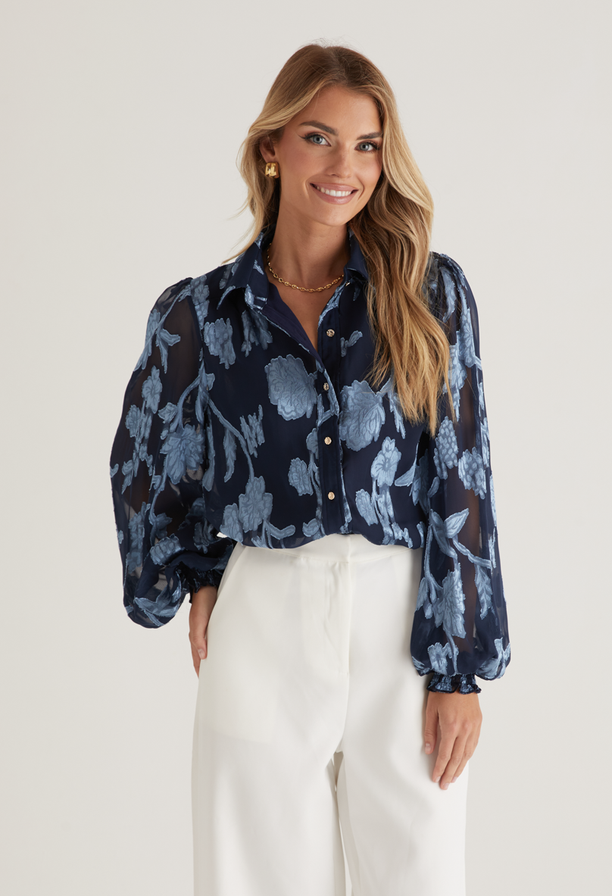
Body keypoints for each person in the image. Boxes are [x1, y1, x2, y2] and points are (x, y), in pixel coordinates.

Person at [110, 43, 510, 896]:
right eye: (320, 138)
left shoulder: (429, 296)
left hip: (402, 628)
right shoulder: (201, 314)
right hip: (263, 619)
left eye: (367, 146)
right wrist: (198, 574)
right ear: (273, 148)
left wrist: (458, 668)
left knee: (422, 879)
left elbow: (463, 477)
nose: (344, 167)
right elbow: (148, 458)